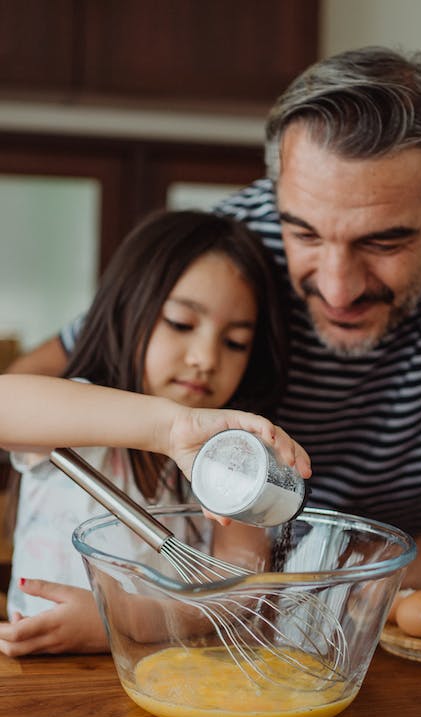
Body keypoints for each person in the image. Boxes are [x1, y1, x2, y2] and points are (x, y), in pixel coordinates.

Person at [8, 47, 421, 592]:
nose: (337, 290)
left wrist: (310, 587)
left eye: (383, 241)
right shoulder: (224, 257)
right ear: (279, 191)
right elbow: (45, 376)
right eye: (305, 234)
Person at [0, 209, 310, 656]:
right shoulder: (81, 415)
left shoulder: (232, 463)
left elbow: (241, 590)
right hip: (47, 680)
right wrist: (169, 428)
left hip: (172, 676)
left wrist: (132, 619)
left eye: (236, 342)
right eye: (182, 324)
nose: (205, 357)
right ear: (127, 312)